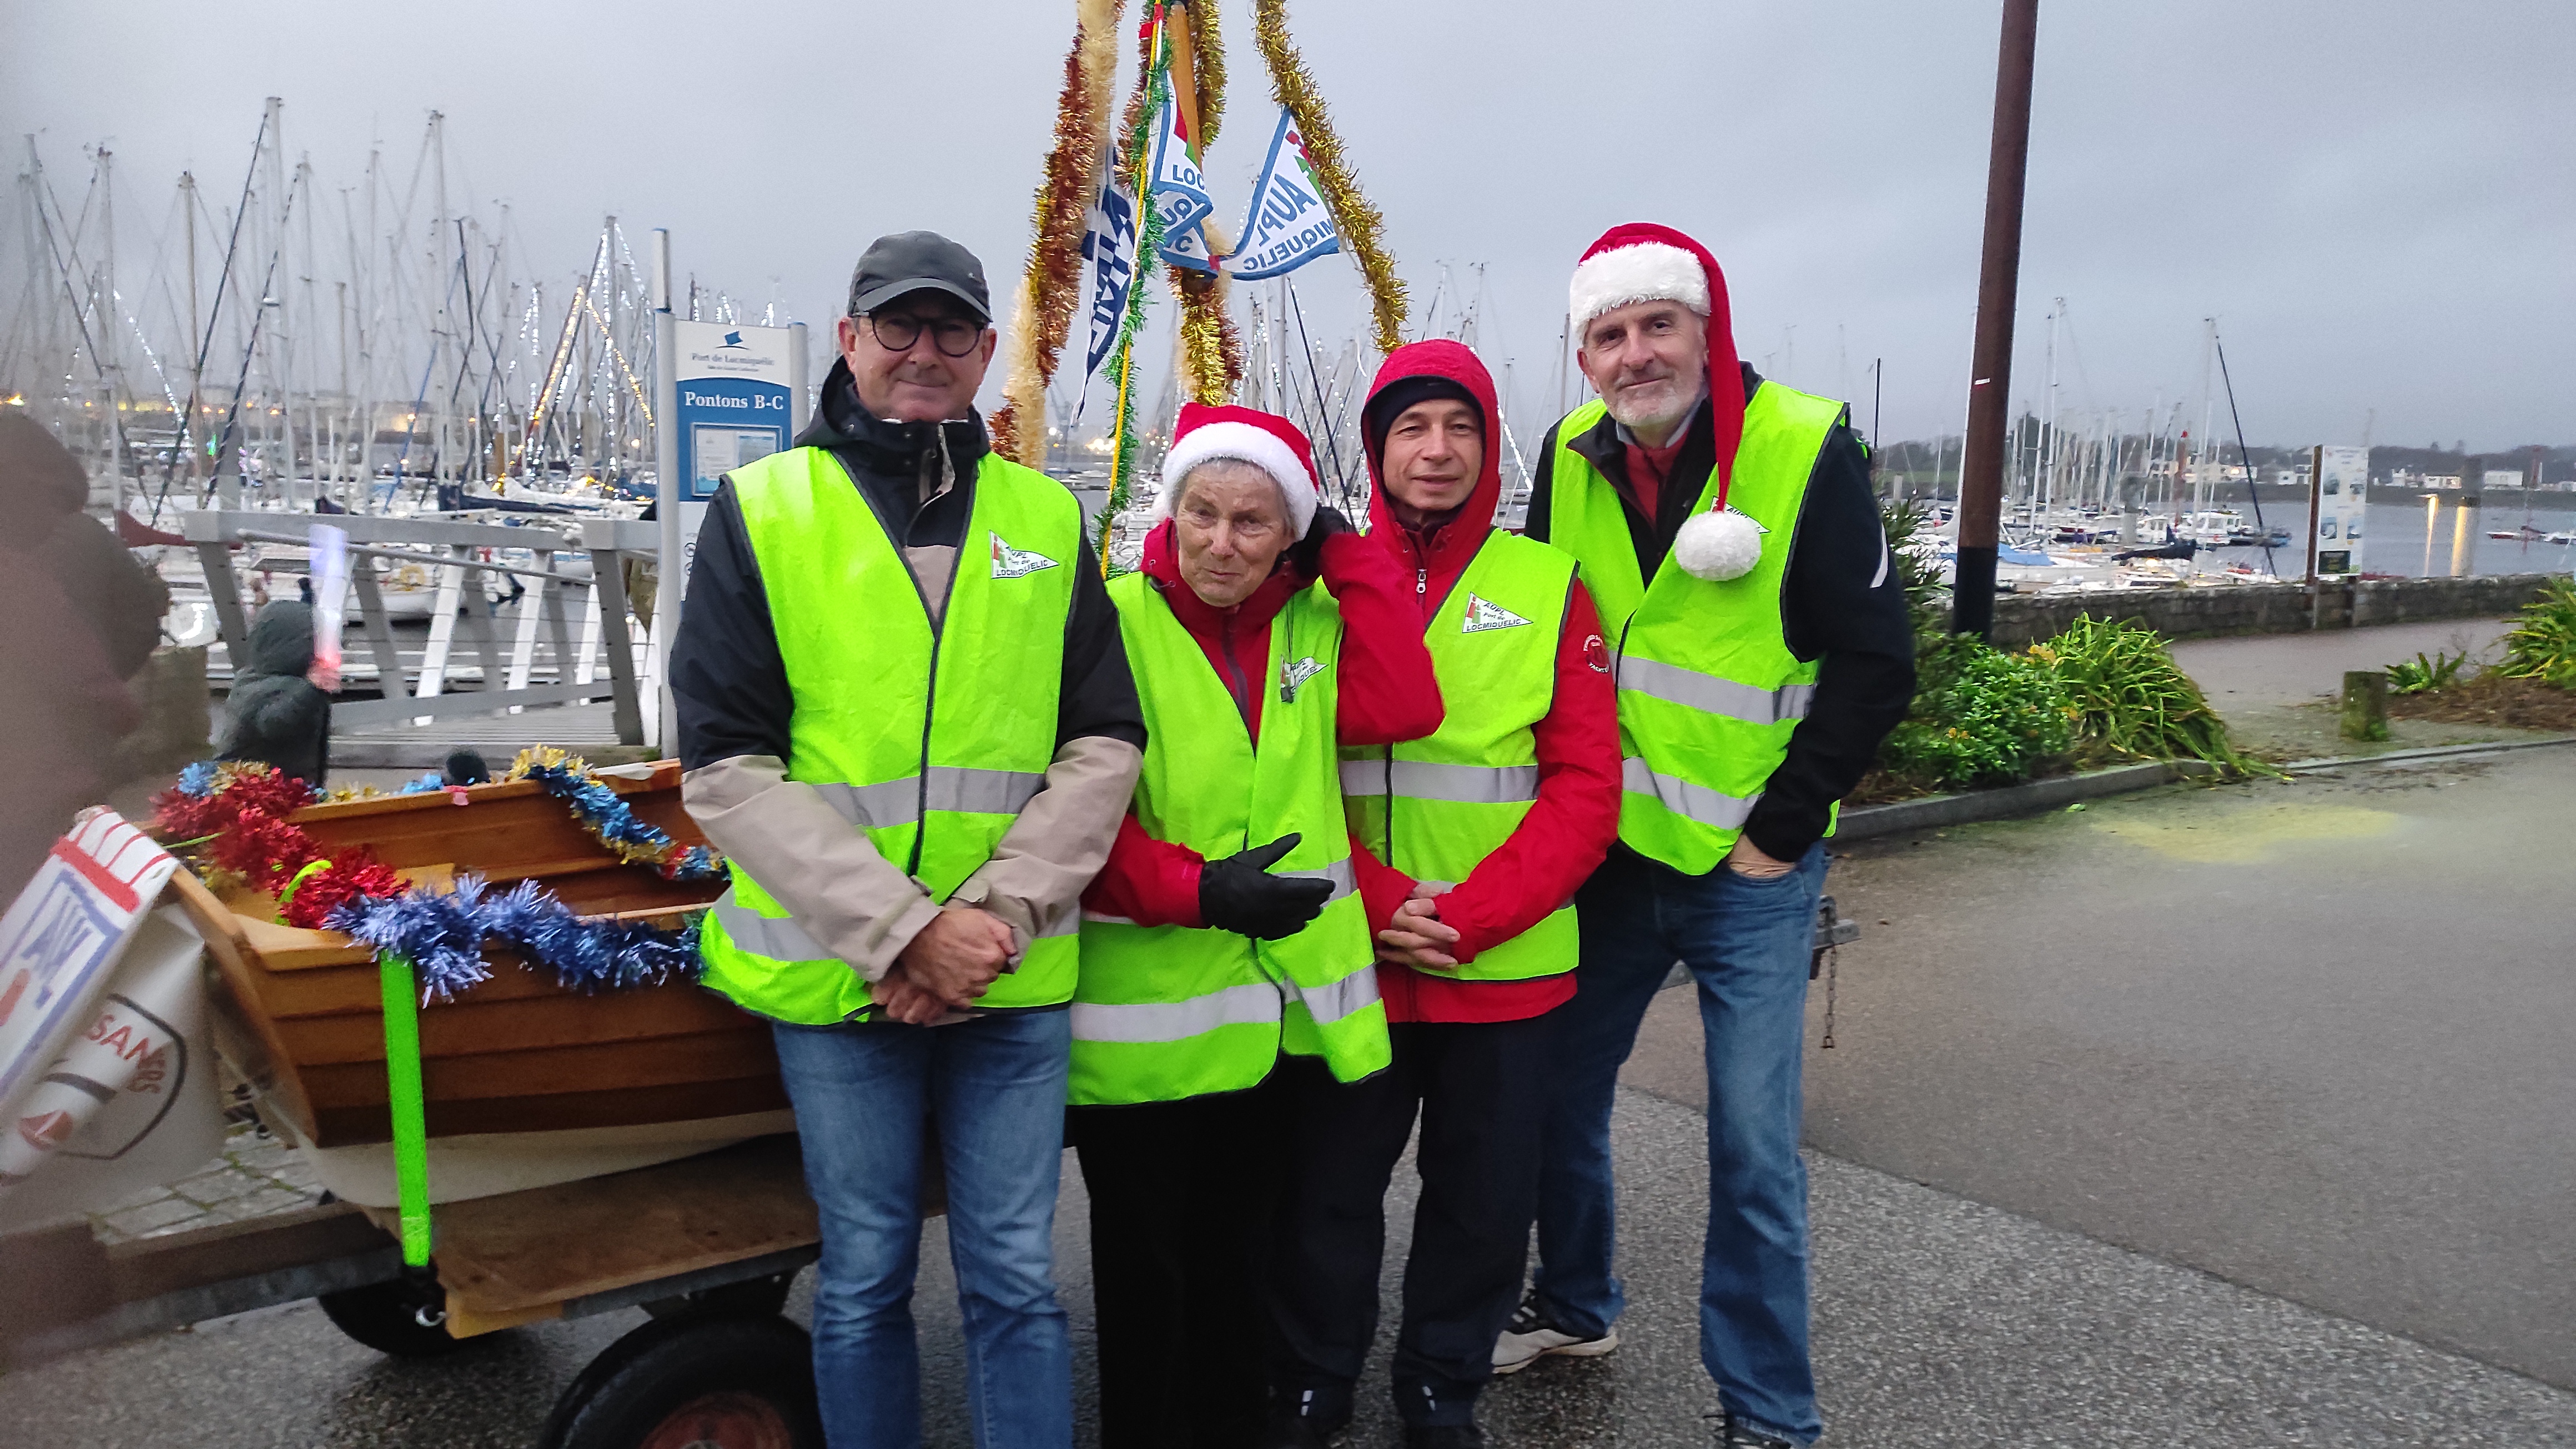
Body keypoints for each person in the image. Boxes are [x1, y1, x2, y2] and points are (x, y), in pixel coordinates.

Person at [672, 230, 1145, 1449]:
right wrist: (904, 933)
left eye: (949, 332)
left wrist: (985, 925)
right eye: (897, 327)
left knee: (1014, 1283)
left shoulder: (1044, 515)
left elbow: (1104, 742)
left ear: (986, 353)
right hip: (842, 982)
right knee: (868, 1278)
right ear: (849, 341)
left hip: (1009, 972)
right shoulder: (765, 510)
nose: (922, 354)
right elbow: (725, 769)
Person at [1502, 224, 1915, 1448]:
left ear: (1704, 328)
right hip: (1607, 858)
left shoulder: (1798, 446)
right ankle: (1577, 1304)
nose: (1634, 356)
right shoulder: (1568, 459)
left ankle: (1771, 1416)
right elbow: (1528, 633)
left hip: (1751, 870)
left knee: (1752, 1155)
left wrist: (1779, 836)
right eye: (1608, 335)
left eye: (1655, 326)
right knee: (1557, 1107)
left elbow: (1875, 662)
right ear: (1583, 354)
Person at [1264, 341, 1620, 1449]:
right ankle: (1315, 1381)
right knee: (1323, 1195)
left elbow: (1584, 785)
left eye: (1459, 427)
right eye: (1411, 428)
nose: (1436, 450)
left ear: (1488, 444)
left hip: (1499, 966)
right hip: (1352, 954)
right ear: (1375, 450)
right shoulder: (1312, 589)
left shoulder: (1548, 585)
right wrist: (1376, 904)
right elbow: (1279, 773)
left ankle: (1438, 1387)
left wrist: (1469, 916)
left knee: (1480, 1207)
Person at [1068, 402, 1440, 1449]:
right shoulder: (1113, 621)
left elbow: (1407, 704)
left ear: (1292, 534)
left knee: (1246, 1268)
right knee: (1148, 1278)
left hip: (1275, 1024)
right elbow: (1069, 817)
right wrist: (1197, 891)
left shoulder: (1317, 627)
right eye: (1202, 515)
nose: (1222, 544)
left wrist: (1347, 553)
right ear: (1170, 513)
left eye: (1253, 521)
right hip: (1147, 1022)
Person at [213, 599, 336, 788]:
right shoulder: (256, 685)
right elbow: (273, 724)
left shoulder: (281, 682)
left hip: (281, 789)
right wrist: (310, 688)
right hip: (249, 794)